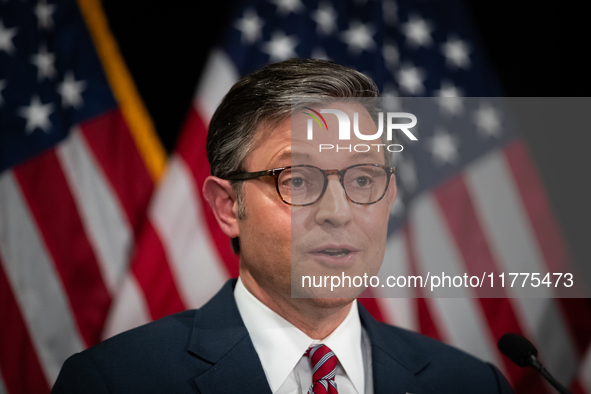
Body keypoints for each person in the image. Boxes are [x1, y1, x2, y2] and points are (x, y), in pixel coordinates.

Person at [52, 59, 514, 393]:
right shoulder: (114, 382)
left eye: (363, 179)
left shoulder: (472, 383)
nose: (338, 211)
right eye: (296, 179)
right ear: (228, 206)